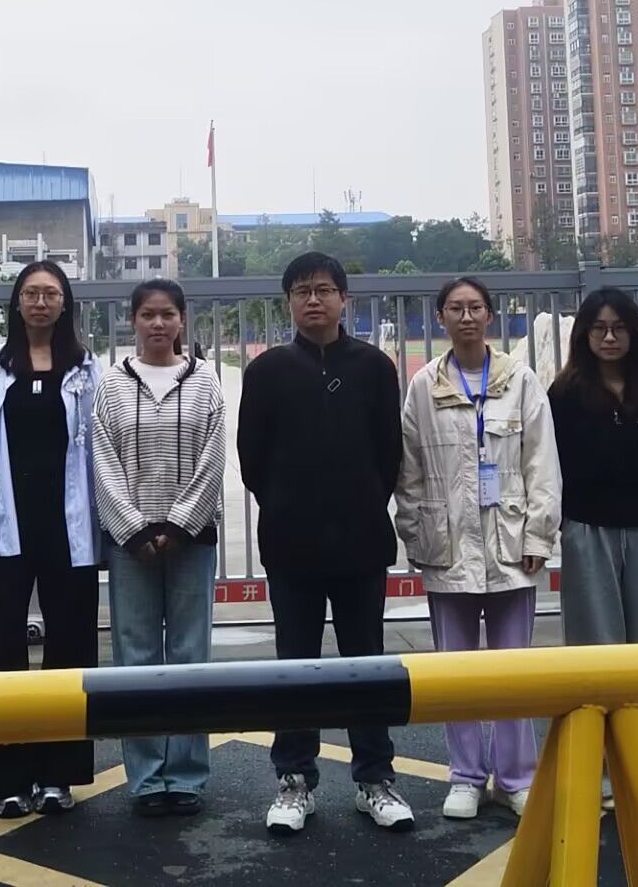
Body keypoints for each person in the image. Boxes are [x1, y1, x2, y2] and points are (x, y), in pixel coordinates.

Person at [238, 251, 415, 835]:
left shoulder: (374, 368)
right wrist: (290, 504)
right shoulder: (266, 372)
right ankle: (294, 781)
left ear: (344, 299)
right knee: (295, 664)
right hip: (291, 543)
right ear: (288, 302)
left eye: (323, 290)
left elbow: (389, 453)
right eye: (302, 291)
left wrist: (358, 501)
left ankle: (375, 779)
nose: (313, 300)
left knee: (367, 662)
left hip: (361, 542)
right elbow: (251, 459)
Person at [397, 276, 560, 822]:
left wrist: (539, 534)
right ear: (440, 318)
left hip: (512, 546)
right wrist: (417, 534)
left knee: (514, 672)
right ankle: (465, 775)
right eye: (455, 308)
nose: (466, 317)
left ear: (490, 315)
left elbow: (542, 464)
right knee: (456, 671)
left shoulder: (521, 381)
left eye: (475, 308)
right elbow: (410, 470)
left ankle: (516, 777)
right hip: (448, 546)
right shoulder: (424, 386)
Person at [0, 261, 104, 819]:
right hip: (4, 526)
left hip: (69, 528)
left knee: (70, 649)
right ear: (16, 302)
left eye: (51, 294)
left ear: (65, 303)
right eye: (31, 293)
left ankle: (58, 775)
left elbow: (99, 450)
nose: (40, 302)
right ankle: (8, 779)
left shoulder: (85, 368)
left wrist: (103, 526)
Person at [92, 279, 227, 817]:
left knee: (192, 655)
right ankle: (147, 777)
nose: (157, 323)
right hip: (131, 546)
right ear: (132, 320)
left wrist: (179, 525)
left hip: (192, 540)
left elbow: (213, 458)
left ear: (182, 320)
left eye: (167, 314)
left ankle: (187, 775)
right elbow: (103, 461)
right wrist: (136, 530)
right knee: (136, 655)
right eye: (147, 314)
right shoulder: (111, 384)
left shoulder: (206, 381)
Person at [548, 287, 638, 798]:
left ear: (634, 333)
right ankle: (602, 775)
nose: (609, 337)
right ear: (584, 335)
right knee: (596, 657)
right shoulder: (564, 395)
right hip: (588, 534)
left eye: (620, 327)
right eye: (599, 328)